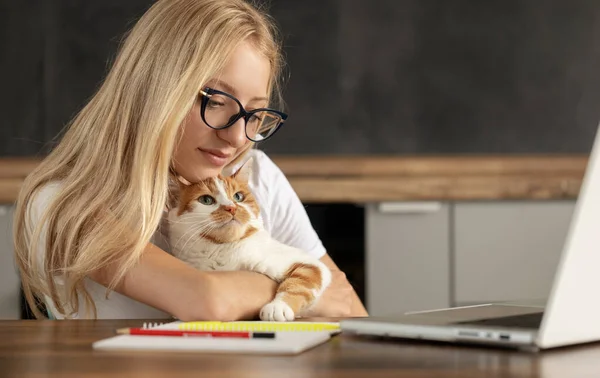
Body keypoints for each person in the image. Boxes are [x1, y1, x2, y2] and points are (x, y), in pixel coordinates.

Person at [13, 0, 368, 320]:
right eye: (214, 102)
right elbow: (206, 300)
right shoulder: (64, 204)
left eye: (256, 115)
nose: (237, 138)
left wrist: (306, 291)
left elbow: (349, 309)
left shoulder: (256, 178)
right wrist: (303, 290)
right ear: (156, 89)